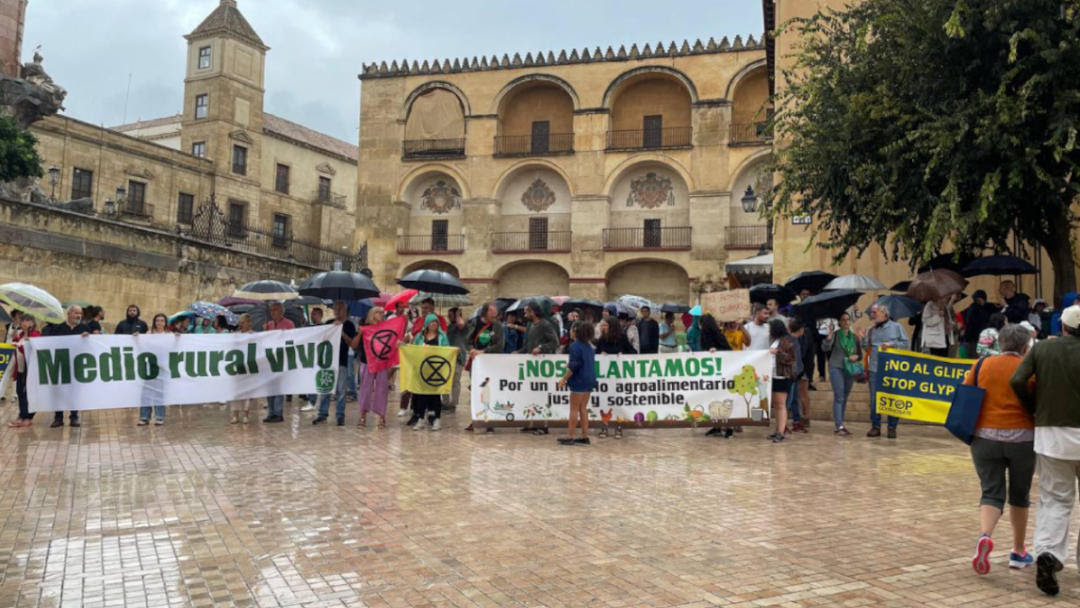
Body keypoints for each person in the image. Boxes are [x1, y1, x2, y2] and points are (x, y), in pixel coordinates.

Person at [1009, 305, 1080, 596]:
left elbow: (1016, 380)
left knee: (1055, 499)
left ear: (1062, 326)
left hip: (1052, 434)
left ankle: (1049, 554)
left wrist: (1033, 407)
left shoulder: (1042, 351)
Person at [962, 325, 1036, 575]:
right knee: (1019, 494)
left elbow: (967, 392)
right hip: (1023, 438)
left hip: (985, 437)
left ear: (1000, 344)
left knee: (991, 492)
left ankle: (984, 536)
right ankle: (1018, 551)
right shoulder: (1029, 367)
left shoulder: (982, 365)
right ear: (1025, 347)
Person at [858, 303, 910, 439]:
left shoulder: (897, 327)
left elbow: (906, 345)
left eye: (875, 312)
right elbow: (866, 348)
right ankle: (875, 426)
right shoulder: (871, 330)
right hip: (875, 368)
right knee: (875, 397)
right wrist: (863, 337)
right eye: (872, 313)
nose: (872, 315)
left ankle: (892, 427)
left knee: (892, 397)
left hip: (893, 368)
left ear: (884, 314)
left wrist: (892, 345)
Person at [313, 301, 361, 426]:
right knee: (325, 389)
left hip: (342, 361)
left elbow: (351, 343)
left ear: (345, 310)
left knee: (341, 390)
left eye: (340, 309)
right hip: (328, 362)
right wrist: (331, 329)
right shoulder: (329, 323)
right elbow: (321, 339)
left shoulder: (349, 325)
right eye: (336, 309)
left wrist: (342, 332)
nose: (337, 311)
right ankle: (322, 414)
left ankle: (340, 415)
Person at [43, 305, 89, 428]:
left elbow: (91, 346)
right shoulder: (58, 328)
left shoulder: (84, 328)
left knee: (74, 392)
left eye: (80, 313)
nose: (79, 315)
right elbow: (50, 344)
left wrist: (88, 338)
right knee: (58, 391)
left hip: (76, 365)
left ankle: (74, 417)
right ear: (68, 314)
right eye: (76, 313)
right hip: (60, 364)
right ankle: (58, 418)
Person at [464, 303, 505, 432]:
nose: (495, 315)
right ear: (485, 313)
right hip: (476, 363)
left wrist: (484, 351)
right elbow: (467, 340)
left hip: (491, 363)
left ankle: (490, 421)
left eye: (496, 313)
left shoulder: (497, 326)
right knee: (475, 391)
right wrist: (471, 350)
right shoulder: (474, 323)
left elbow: (500, 345)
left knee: (489, 391)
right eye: (492, 313)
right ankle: (475, 419)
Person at [822, 312, 861, 436]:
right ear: (839, 322)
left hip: (850, 369)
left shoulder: (854, 337)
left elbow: (859, 354)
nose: (846, 322)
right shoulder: (835, 335)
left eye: (848, 320)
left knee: (844, 396)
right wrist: (828, 338)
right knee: (839, 396)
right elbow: (825, 348)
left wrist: (856, 356)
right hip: (836, 367)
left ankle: (840, 423)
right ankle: (838, 425)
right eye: (843, 320)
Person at [557, 322, 596, 446]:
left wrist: (563, 378)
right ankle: (585, 436)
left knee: (574, 409)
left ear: (576, 331)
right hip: (589, 379)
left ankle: (570, 436)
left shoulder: (575, 346)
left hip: (579, 380)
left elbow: (574, 366)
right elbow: (583, 362)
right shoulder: (590, 346)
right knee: (583, 408)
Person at [411, 313, 449, 431]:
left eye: (436, 322)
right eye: (432, 322)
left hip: (436, 370)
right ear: (427, 323)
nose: (434, 324)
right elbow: (413, 349)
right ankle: (420, 419)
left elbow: (447, 351)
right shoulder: (420, 336)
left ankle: (437, 419)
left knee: (436, 396)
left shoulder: (442, 337)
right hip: (422, 370)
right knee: (422, 395)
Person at [357, 307, 392, 429]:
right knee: (365, 389)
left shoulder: (385, 327)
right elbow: (356, 345)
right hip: (367, 362)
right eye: (378, 312)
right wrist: (360, 334)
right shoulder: (364, 327)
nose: (381, 314)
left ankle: (381, 416)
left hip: (381, 363)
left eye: (382, 313)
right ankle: (363, 416)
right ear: (372, 314)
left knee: (382, 389)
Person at [263, 301, 295, 423]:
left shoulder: (289, 324)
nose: (272, 312)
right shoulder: (269, 325)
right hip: (270, 360)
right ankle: (271, 412)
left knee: (278, 388)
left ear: (281, 311)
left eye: (275, 310)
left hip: (282, 360)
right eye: (271, 310)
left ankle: (278, 412)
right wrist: (264, 333)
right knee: (269, 388)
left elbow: (293, 340)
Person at [7, 313, 41, 428]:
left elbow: (30, 350)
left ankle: (28, 417)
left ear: (32, 323)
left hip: (30, 370)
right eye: (23, 321)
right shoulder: (20, 334)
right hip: (20, 369)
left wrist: (27, 341)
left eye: (27, 320)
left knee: (28, 393)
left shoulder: (36, 335)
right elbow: (15, 345)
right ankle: (22, 416)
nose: (24, 323)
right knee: (20, 392)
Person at [137, 313, 170, 426]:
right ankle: (144, 417)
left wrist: (178, 338)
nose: (159, 323)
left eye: (162, 320)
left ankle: (159, 417)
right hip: (149, 367)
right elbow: (142, 346)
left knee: (159, 393)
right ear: (154, 322)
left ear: (165, 323)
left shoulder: (168, 335)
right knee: (146, 393)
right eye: (157, 320)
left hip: (162, 368)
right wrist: (137, 337)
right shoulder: (148, 334)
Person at [766, 319, 796, 443]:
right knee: (777, 405)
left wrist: (778, 353)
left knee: (781, 404)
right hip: (774, 375)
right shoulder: (775, 341)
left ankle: (781, 431)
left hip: (782, 376)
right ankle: (778, 429)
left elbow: (791, 358)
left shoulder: (787, 341)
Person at [787, 318, 813, 433]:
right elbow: (795, 360)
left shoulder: (794, 340)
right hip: (791, 375)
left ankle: (795, 421)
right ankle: (783, 425)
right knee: (788, 400)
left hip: (795, 374)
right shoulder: (792, 341)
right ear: (801, 329)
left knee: (792, 399)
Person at [230, 314, 256, 424]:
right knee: (236, 392)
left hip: (249, 366)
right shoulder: (235, 335)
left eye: (247, 321)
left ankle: (246, 415)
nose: (245, 323)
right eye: (243, 321)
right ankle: (235, 415)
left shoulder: (254, 335)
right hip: (237, 366)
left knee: (247, 392)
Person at [443, 307, 469, 410]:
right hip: (447, 356)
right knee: (445, 380)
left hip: (458, 357)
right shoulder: (450, 326)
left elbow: (461, 324)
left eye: (450, 315)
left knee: (455, 381)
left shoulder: (462, 326)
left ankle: (453, 403)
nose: (449, 317)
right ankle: (445, 402)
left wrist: (458, 315)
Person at [961, 290, 997, 358]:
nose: (977, 300)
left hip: (985, 338)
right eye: (976, 299)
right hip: (973, 338)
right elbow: (969, 322)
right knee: (974, 357)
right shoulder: (973, 307)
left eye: (979, 298)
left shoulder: (990, 307)